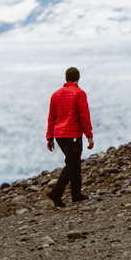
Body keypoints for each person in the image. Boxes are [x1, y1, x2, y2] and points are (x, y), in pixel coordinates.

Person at [45, 67, 94, 207]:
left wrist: (50, 137)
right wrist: (89, 135)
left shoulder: (55, 95)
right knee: (72, 164)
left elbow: (51, 118)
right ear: (78, 78)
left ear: (66, 78)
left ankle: (76, 194)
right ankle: (56, 192)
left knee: (74, 163)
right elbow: (84, 116)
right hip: (72, 134)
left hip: (60, 135)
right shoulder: (79, 93)